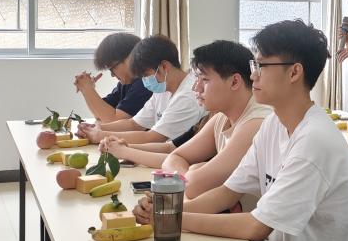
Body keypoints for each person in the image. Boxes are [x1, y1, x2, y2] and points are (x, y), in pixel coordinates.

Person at [138, 20, 348, 241]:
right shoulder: (274, 124)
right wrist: (167, 211)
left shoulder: (314, 141)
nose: (253, 74)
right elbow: (227, 193)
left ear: (294, 72)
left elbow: (256, 227)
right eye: (253, 64)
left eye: (261, 66)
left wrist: (172, 220)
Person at [104, 42, 271, 199]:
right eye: (197, 79)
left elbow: (192, 184)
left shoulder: (255, 123)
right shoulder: (221, 117)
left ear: (234, 82)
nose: (196, 87)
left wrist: (191, 175)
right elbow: (173, 157)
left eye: (204, 80)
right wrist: (190, 174)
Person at [84, 36, 205, 148]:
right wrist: (97, 128)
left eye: (146, 75)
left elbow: (153, 137)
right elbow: (134, 124)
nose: (145, 81)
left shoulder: (188, 96)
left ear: (164, 67)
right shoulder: (162, 89)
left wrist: (100, 135)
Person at [73, 32, 151, 122]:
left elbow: (114, 120)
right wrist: (86, 90)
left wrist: (89, 89)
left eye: (112, 68)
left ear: (130, 58)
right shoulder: (124, 85)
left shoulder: (145, 84)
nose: (112, 75)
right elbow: (99, 115)